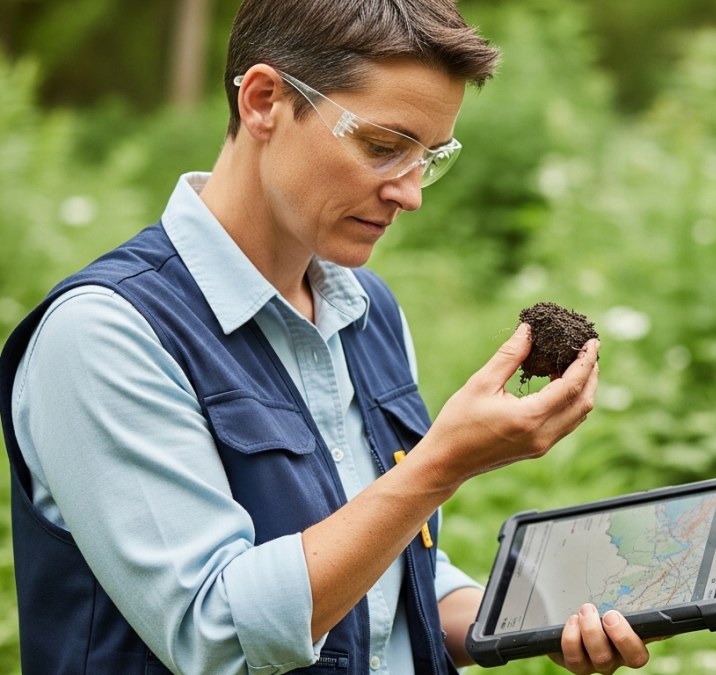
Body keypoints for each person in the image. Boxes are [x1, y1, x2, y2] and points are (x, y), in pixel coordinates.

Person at [0, 1, 652, 673]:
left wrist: (533, 618)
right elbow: (214, 631)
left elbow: (393, 578)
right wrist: (441, 467)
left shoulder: (366, 307)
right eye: (382, 147)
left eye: (429, 157)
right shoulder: (106, 335)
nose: (411, 193)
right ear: (263, 101)